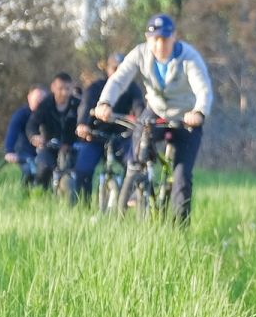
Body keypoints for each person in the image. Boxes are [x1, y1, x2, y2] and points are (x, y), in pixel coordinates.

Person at [92, 13, 212, 223]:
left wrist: (199, 112)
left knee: (182, 178)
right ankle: (136, 186)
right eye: (155, 39)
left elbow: (203, 89)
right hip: (155, 112)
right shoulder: (140, 53)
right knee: (136, 152)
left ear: (174, 36)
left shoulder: (189, 58)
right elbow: (119, 80)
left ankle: (178, 230)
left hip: (186, 119)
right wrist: (105, 103)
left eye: (164, 39)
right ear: (148, 39)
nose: (159, 45)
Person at [73, 52, 141, 203]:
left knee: (133, 164)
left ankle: (126, 200)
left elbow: (139, 108)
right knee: (83, 168)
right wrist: (82, 124)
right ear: (108, 70)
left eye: (122, 68)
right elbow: (85, 107)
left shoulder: (132, 88)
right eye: (114, 68)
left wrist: (139, 120)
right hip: (95, 136)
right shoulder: (95, 88)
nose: (118, 72)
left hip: (120, 137)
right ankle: (81, 206)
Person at [26, 72, 83, 198]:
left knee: (83, 171)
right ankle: (39, 196)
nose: (64, 92)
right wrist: (34, 136)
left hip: (71, 147)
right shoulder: (45, 105)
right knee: (44, 168)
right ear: (53, 87)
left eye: (67, 89)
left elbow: (86, 121)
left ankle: (83, 201)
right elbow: (32, 124)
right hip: (49, 146)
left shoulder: (78, 105)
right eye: (60, 88)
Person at [4, 86, 46, 188]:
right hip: (25, 152)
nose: (40, 102)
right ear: (29, 98)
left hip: (45, 152)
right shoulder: (21, 114)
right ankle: (25, 196)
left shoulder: (49, 114)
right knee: (29, 171)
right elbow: (12, 132)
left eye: (42, 99)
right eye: (37, 99)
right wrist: (9, 151)